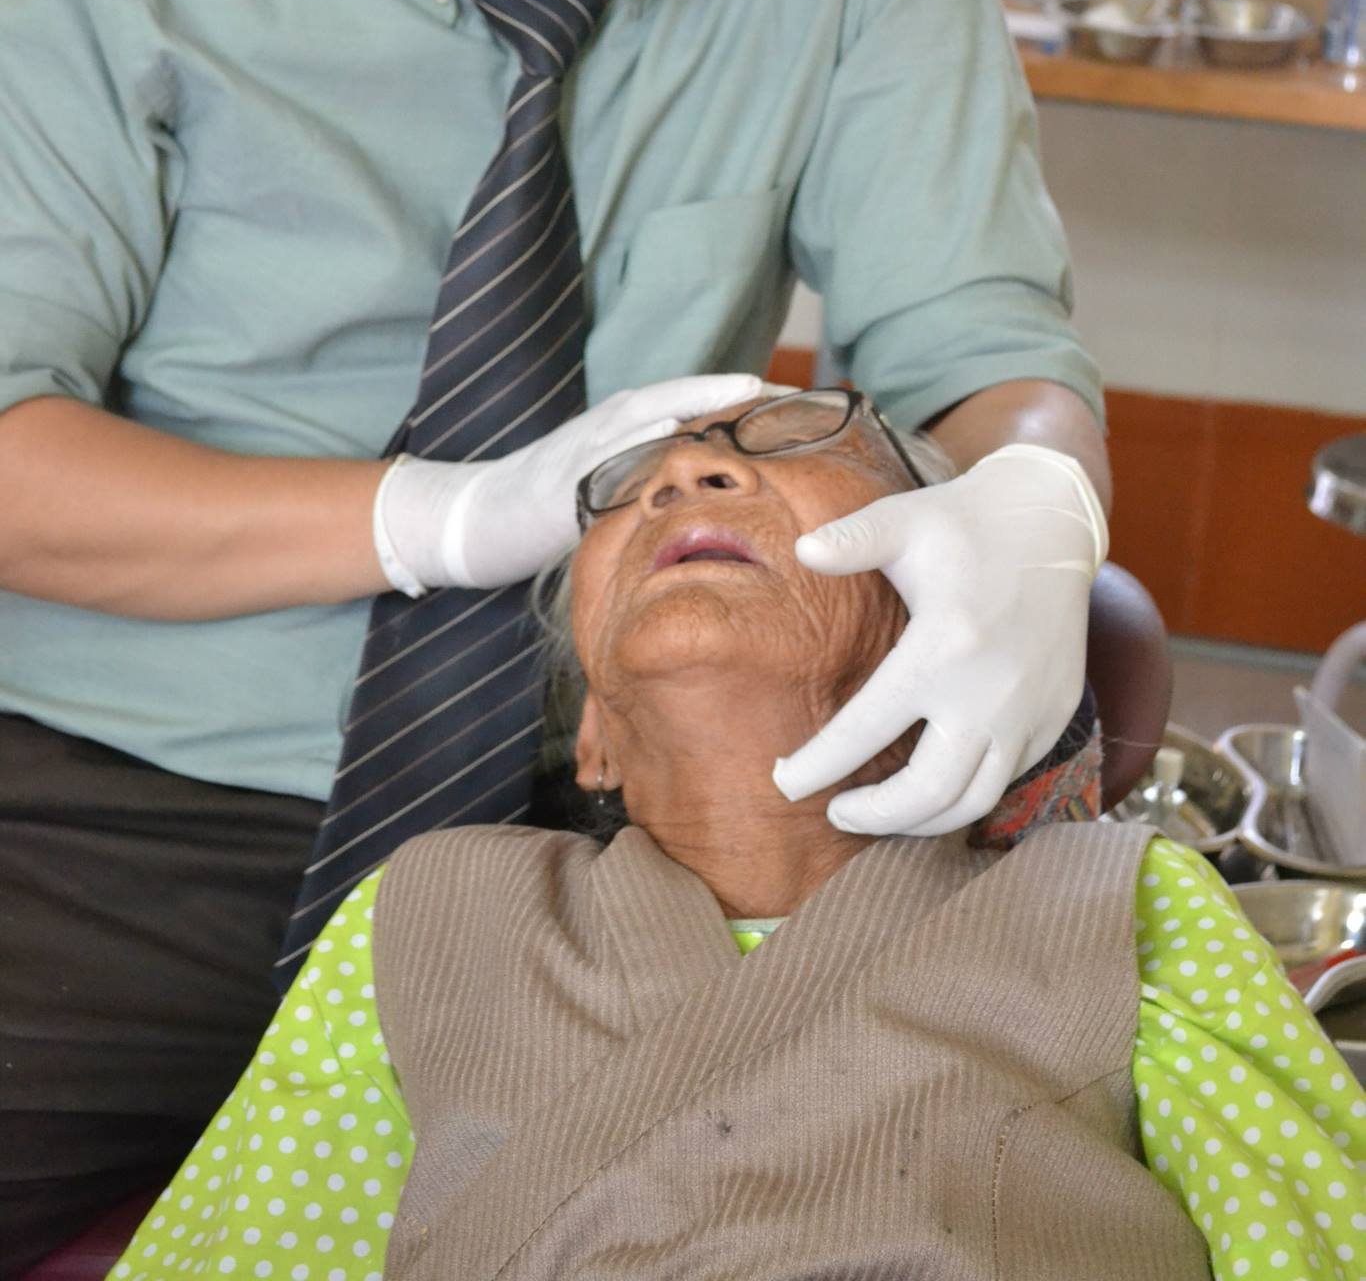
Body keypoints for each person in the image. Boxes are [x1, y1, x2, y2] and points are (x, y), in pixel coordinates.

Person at [1, 0, 1112, 1261]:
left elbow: (974, 343)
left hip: (606, 814)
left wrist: (1034, 497)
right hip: (114, 805)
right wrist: (439, 520)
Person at [112, 392, 1366, 1281]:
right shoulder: (428, 911)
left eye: (798, 437)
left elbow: (1313, 1240)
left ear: (956, 615)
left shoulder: (1113, 904)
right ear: (594, 730)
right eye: (631, 484)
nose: (682, 473)